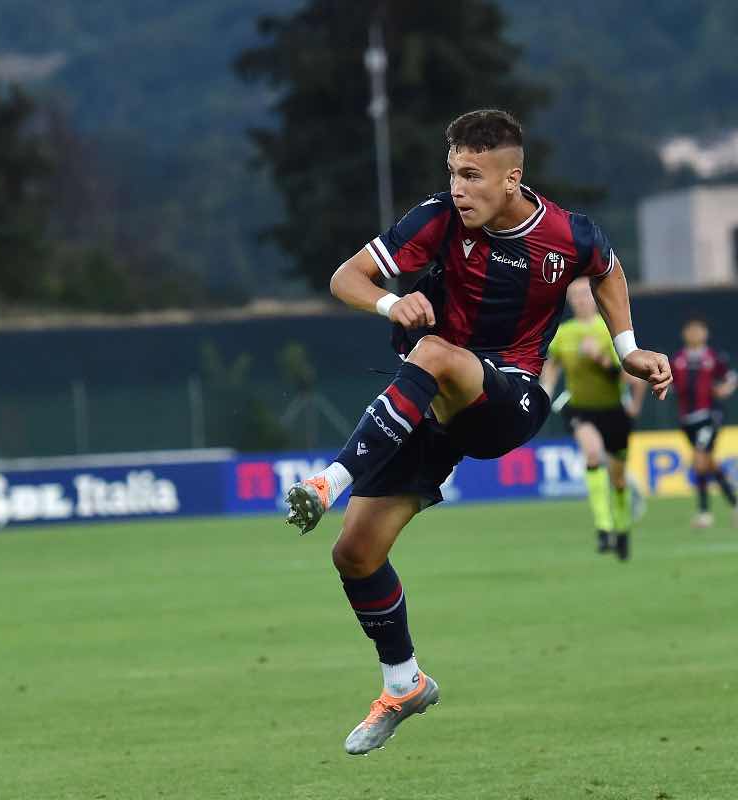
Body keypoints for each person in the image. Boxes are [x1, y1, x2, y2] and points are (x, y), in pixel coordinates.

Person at [282, 110, 671, 755]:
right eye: (452, 172)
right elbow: (344, 278)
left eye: (471, 175)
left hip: (509, 397)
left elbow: (605, 269)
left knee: (431, 353)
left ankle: (331, 480)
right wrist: (387, 301)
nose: (457, 188)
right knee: (355, 554)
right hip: (432, 403)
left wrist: (626, 346)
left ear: (511, 178)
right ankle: (403, 683)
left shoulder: (567, 235)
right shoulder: (436, 218)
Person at [540, 278, 645, 560]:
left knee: (619, 479)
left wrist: (601, 359)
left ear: (596, 296)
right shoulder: (563, 333)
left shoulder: (611, 330)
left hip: (613, 410)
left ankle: (622, 528)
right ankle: (603, 527)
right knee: (592, 453)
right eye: (574, 295)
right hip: (581, 409)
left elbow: (631, 374)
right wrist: (545, 394)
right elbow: (552, 368)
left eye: (585, 294)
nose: (580, 300)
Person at [670, 316, 737, 528]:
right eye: (691, 330)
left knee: (699, 460)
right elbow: (670, 382)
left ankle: (704, 513)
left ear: (705, 333)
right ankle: (734, 502)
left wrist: (725, 389)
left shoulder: (713, 358)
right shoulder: (678, 359)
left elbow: (729, 378)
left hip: (709, 415)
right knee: (708, 463)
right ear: (684, 334)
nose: (695, 334)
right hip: (687, 419)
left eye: (699, 330)